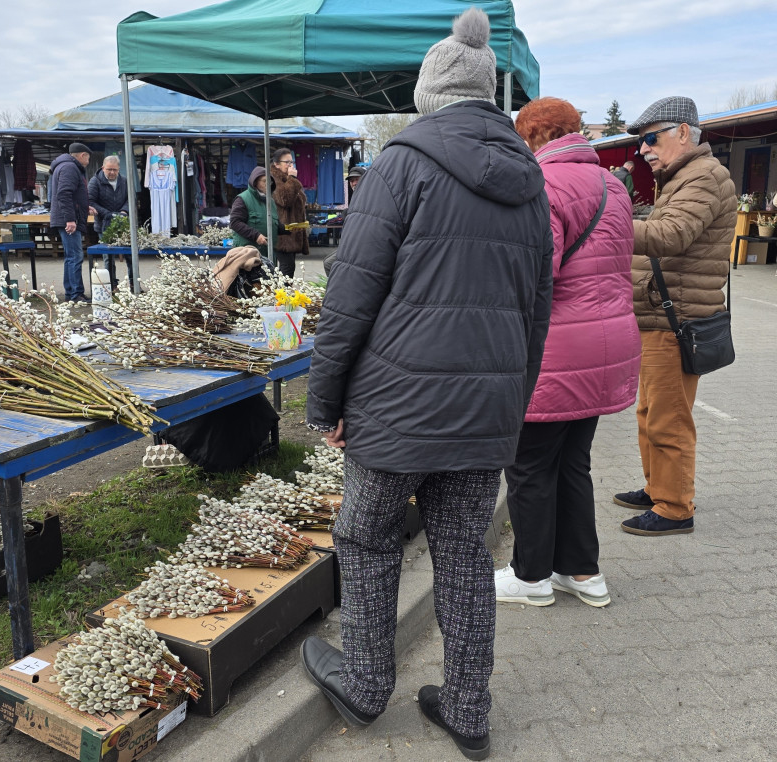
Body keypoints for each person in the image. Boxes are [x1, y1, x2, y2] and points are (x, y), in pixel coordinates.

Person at [299, 9, 553, 760]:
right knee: (465, 551)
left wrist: (324, 401)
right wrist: (510, 405)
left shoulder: (400, 165)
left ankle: (368, 684)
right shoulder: (530, 182)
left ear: (427, 96)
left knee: (366, 536)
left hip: (394, 413)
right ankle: (468, 709)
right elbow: (537, 312)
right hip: (485, 413)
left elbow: (349, 297)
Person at [493, 97, 641, 609]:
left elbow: (538, 276)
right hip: (609, 343)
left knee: (530, 464)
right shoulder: (612, 186)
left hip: (557, 348)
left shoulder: (544, 185)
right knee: (573, 461)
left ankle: (530, 575)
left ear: (534, 138)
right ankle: (581, 572)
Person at [614, 96, 736, 537]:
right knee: (650, 411)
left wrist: (608, 221)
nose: (643, 150)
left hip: (676, 317)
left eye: (650, 138)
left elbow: (671, 234)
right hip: (659, 314)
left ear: (682, 133)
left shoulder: (703, 177)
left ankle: (674, 507)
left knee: (668, 417)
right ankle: (657, 487)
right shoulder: (681, 176)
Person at [49, 143, 94, 303]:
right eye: (88, 158)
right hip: (67, 219)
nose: (88, 162)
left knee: (71, 256)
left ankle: (71, 293)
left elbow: (70, 194)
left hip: (66, 217)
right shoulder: (70, 167)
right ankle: (76, 294)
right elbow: (64, 194)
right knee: (75, 256)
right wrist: (70, 219)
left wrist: (84, 206)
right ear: (82, 155)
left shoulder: (64, 166)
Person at [87, 155, 131, 292]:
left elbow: (131, 199)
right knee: (108, 256)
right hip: (104, 224)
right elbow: (90, 201)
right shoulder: (95, 182)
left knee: (130, 254)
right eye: (109, 169)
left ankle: (134, 283)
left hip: (123, 223)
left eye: (115, 170)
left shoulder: (124, 181)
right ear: (103, 168)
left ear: (119, 169)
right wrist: (107, 214)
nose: (112, 172)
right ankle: (112, 284)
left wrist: (124, 211)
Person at [230, 166, 284, 261]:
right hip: (247, 254)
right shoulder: (243, 199)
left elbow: (273, 224)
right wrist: (256, 236)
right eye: (264, 181)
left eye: (270, 182)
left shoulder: (270, 201)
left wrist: (289, 228)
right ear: (255, 182)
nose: (268, 184)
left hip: (268, 254)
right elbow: (235, 223)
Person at [269, 148, 309, 277]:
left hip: (292, 233)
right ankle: (282, 296)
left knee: (289, 268)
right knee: (287, 267)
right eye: (287, 162)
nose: (290, 165)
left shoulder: (287, 179)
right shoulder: (273, 179)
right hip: (281, 234)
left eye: (291, 162)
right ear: (276, 164)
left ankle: (283, 295)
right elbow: (284, 199)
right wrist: (292, 178)